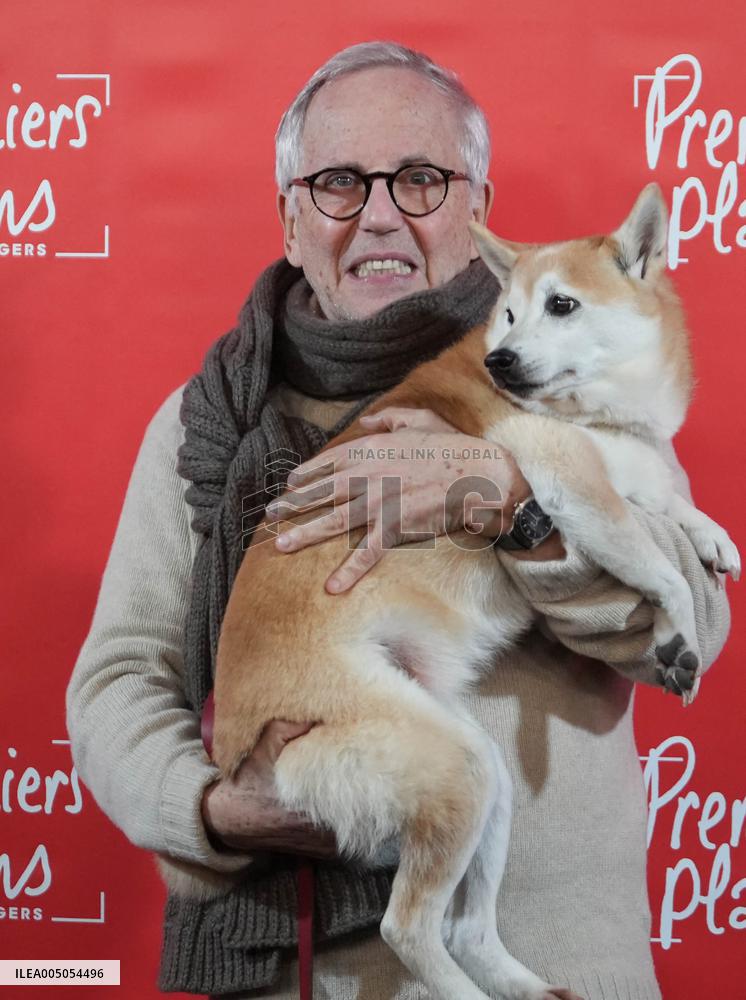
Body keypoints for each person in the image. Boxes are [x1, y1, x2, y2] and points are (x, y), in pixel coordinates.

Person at [66, 41, 731, 1000]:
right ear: (290, 220)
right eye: (338, 182)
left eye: (421, 179)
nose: (380, 214)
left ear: (478, 211)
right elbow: (120, 679)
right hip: (290, 973)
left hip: (556, 965)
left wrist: (509, 503)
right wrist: (212, 809)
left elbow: (691, 631)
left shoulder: (563, 368)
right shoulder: (205, 424)